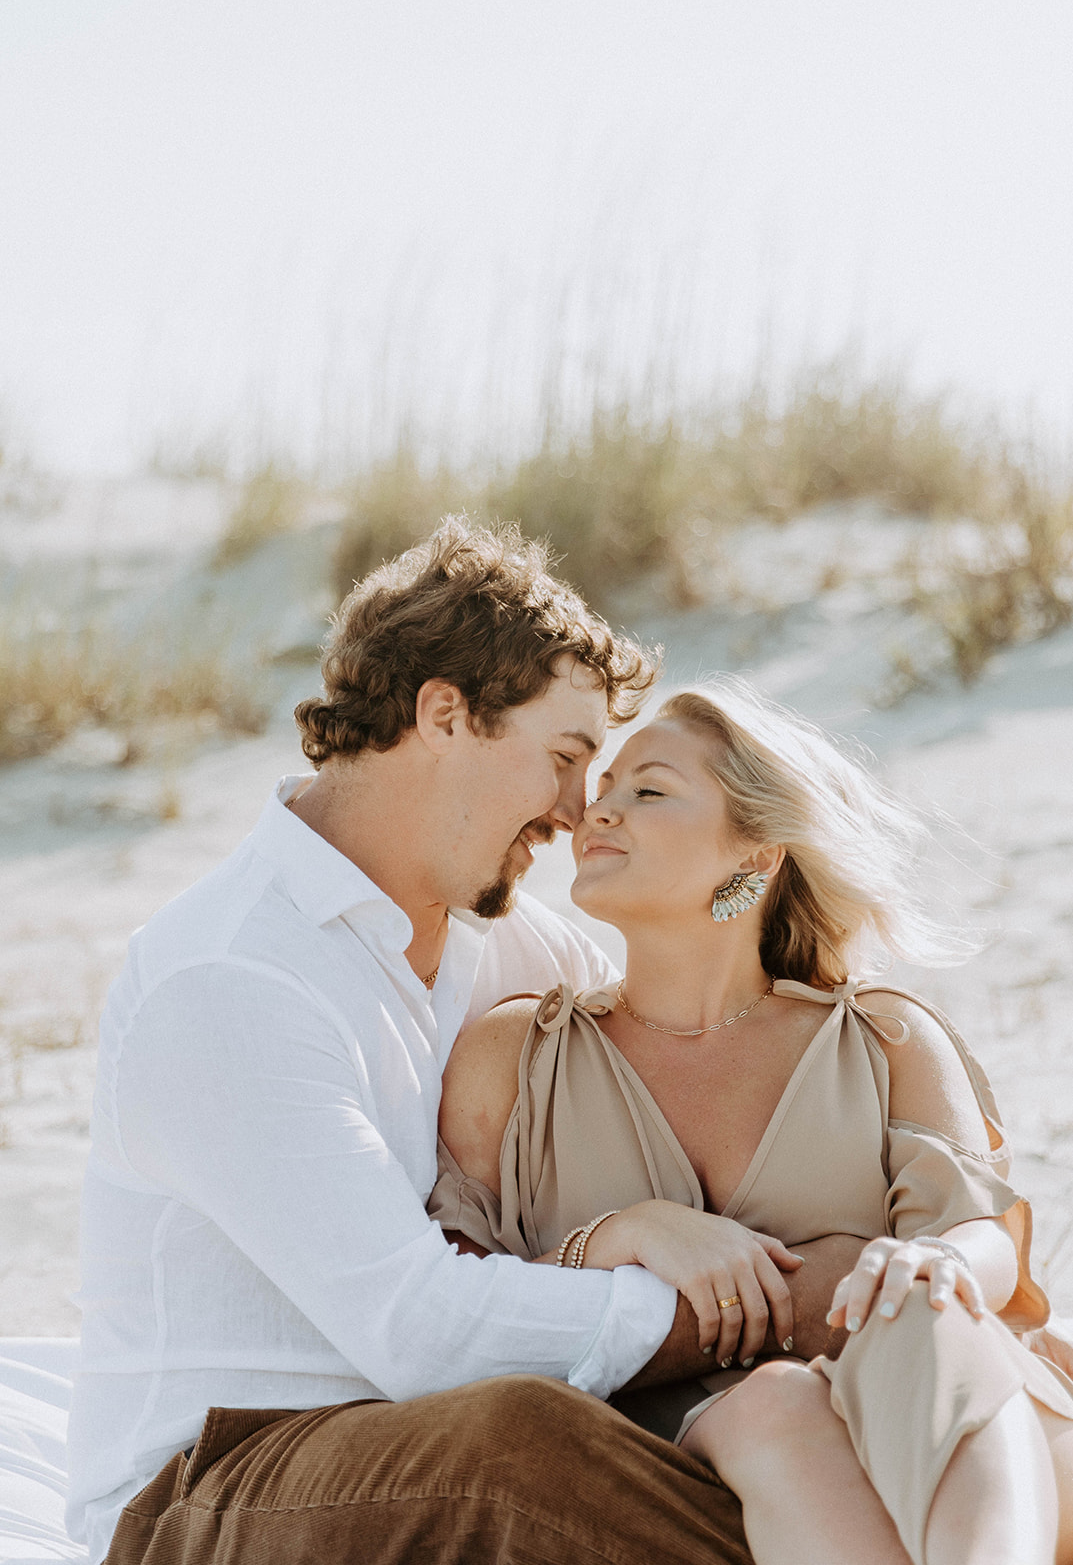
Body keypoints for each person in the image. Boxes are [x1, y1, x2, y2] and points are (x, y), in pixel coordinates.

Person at [66, 519, 855, 1565]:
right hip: (207, 1489)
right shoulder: (227, 976)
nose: (579, 813)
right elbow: (422, 1333)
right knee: (518, 1448)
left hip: (414, 1437)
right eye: (566, 759)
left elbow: (683, 1032)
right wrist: (754, 1309)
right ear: (443, 714)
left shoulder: (509, 942)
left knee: (811, 1409)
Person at [435, 677, 1073, 1565]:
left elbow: (980, 1237)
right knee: (775, 1404)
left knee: (919, 1304)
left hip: (932, 1393)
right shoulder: (513, 1058)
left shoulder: (882, 1036)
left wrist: (934, 1258)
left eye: (647, 791)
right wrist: (627, 1233)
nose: (598, 811)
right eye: (604, 789)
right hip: (681, 1439)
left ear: (756, 856)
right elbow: (454, 1310)